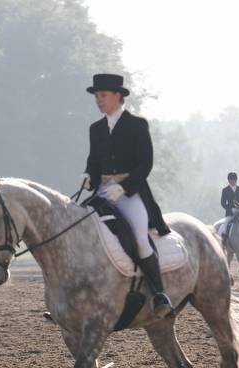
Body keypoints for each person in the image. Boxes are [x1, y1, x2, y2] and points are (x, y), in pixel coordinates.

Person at [81, 73, 174, 318]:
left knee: (140, 237)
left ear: (118, 96)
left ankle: (158, 293)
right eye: (97, 97)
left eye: (103, 96)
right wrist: (89, 176)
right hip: (102, 192)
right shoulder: (96, 129)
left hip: (130, 193)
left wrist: (123, 187)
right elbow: (94, 162)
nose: (98, 101)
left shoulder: (136, 125)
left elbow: (146, 164)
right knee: (81, 230)